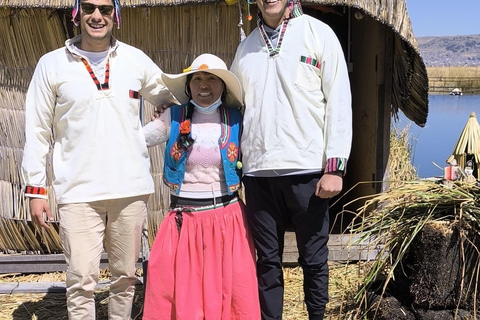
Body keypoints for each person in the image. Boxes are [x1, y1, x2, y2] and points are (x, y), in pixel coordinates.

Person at [20, 0, 177, 318]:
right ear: (77, 14)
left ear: (115, 16)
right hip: (78, 192)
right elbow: (36, 129)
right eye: (89, 7)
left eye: (105, 9)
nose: (97, 16)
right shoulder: (53, 65)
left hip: (130, 189)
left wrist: (142, 138)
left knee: (126, 278)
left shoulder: (134, 60)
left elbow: (170, 102)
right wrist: (35, 188)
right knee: (80, 282)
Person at [230, 0, 352, 319]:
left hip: (308, 170)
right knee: (267, 260)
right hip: (258, 173)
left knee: (313, 258)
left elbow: (339, 100)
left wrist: (335, 167)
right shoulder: (246, 49)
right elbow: (230, 103)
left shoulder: (318, 33)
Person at [142, 53, 260, 320]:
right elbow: (137, 141)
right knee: (184, 292)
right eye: (197, 78)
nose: (204, 85)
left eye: (212, 78)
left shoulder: (237, 119)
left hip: (228, 220)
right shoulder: (173, 117)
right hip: (185, 221)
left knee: (231, 292)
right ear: (188, 86)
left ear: (223, 86)